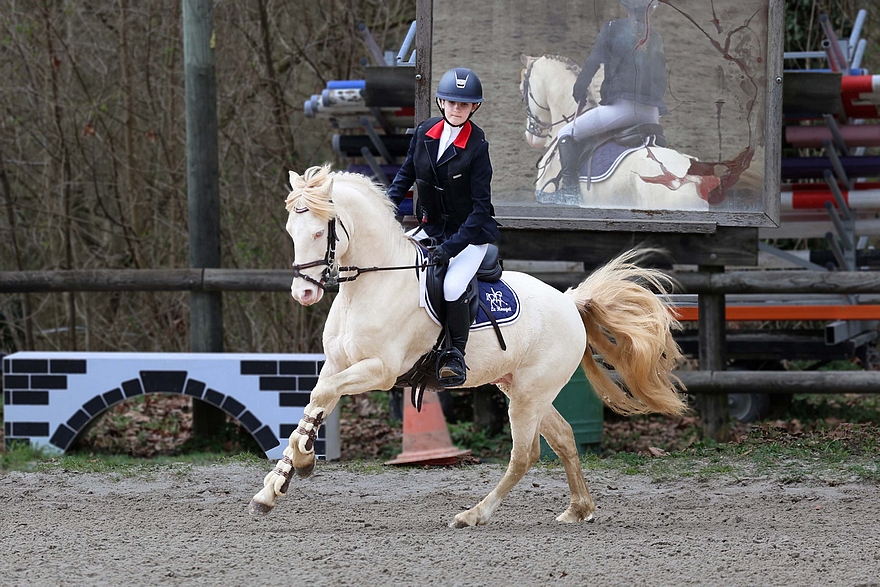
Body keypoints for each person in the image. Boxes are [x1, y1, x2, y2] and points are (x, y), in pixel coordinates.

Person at [386, 67, 500, 387]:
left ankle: (455, 354)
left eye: (463, 105)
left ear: (473, 107)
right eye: (450, 102)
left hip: (470, 235)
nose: (455, 109)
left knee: (451, 286)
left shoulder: (478, 147)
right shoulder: (424, 132)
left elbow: (481, 210)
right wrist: (383, 211)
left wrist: (450, 248)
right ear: (440, 102)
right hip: (430, 227)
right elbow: (404, 177)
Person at [557, 0, 668, 193]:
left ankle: (569, 192)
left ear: (626, 8)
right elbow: (661, 78)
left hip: (622, 109)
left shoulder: (612, 28)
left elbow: (593, 62)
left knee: (565, 133)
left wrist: (580, 88)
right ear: (649, 12)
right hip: (652, 115)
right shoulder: (656, 37)